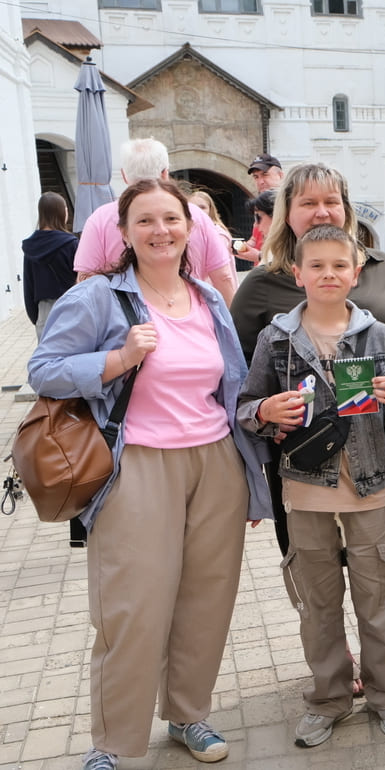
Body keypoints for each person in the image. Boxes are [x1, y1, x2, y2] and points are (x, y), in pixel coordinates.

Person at [28, 178, 271, 770]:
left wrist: (254, 473)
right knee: (132, 606)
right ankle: (112, 743)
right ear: (124, 232)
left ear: (191, 229)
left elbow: (231, 385)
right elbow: (43, 369)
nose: (160, 231)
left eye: (172, 219)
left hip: (215, 463)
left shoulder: (208, 298)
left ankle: (189, 714)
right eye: (145, 221)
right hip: (135, 464)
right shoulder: (98, 298)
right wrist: (118, 359)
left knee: (205, 599)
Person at [231, 162, 385, 670]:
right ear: (287, 211)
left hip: (376, 435)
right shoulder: (264, 283)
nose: (321, 210)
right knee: (317, 559)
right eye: (307, 202)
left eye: (331, 201)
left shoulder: (380, 266)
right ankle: (335, 655)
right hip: (304, 452)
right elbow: (237, 369)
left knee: (384, 544)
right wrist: (264, 413)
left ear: (346, 209)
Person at [238, 224, 385, 748]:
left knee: (378, 601)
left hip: (370, 487)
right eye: (316, 266)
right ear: (298, 273)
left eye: (340, 265)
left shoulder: (377, 336)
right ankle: (329, 698)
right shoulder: (277, 337)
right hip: (304, 490)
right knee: (318, 605)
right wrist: (267, 412)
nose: (329, 274)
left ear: (356, 272)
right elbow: (246, 406)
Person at [74, 138, 237, 306]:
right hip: (191, 315)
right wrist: (233, 324)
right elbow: (223, 277)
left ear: (124, 175)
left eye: (170, 219)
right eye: (144, 221)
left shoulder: (100, 218)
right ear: (165, 173)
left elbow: (85, 281)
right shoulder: (196, 215)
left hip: (125, 321)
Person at [22, 191, 78, 340]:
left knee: (47, 360)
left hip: (44, 311)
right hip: (71, 308)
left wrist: (37, 317)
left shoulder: (30, 247)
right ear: (61, 212)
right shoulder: (71, 244)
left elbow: (28, 286)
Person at [240, 153, 284, 266]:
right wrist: (243, 247)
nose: (260, 181)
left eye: (265, 175)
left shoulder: (290, 206)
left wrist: (259, 256)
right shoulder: (259, 208)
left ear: (280, 175)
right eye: (256, 177)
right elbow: (255, 238)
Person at [188, 189, 235, 273]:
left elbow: (224, 272)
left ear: (210, 210)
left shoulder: (219, 235)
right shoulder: (186, 233)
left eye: (202, 207)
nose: (198, 211)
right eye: (193, 207)